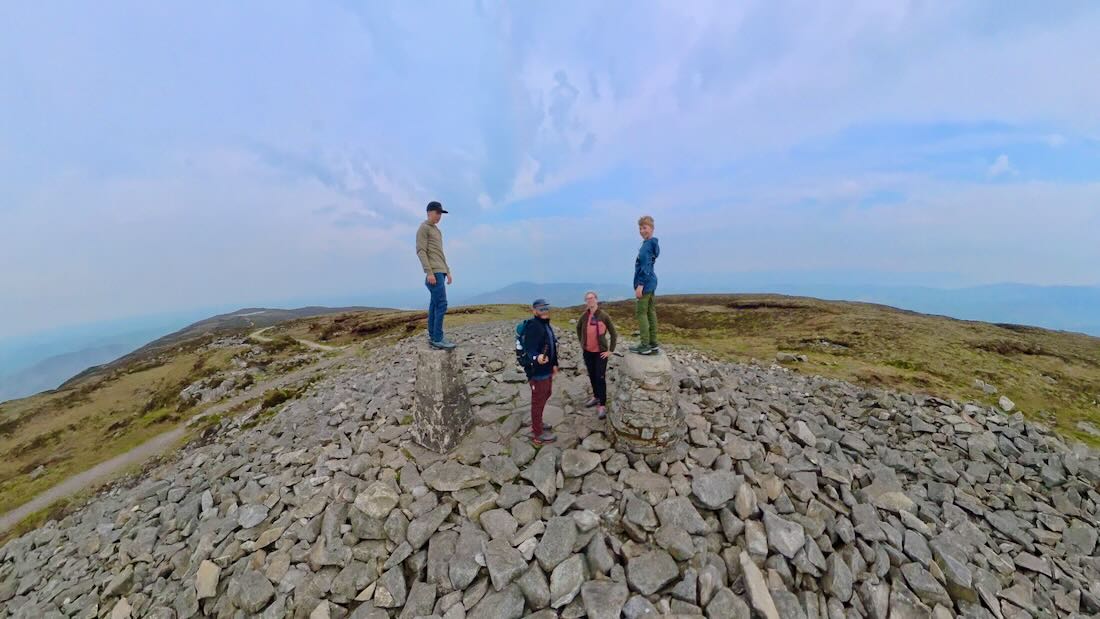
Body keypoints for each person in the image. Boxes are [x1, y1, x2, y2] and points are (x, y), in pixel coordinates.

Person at [416, 201, 455, 350]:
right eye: (437, 213)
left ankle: (433, 336)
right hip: (434, 273)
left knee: (434, 304)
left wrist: (448, 271)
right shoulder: (423, 228)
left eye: (441, 213)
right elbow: (421, 251)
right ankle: (438, 338)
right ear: (429, 212)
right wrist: (429, 272)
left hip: (441, 271)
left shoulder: (437, 231)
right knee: (442, 304)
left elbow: (440, 253)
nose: (439, 216)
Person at [521, 298, 559, 445]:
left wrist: (554, 364)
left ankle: (539, 422)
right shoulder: (533, 326)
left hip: (547, 369)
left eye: (545, 308)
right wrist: (537, 357)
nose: (544, 311)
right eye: (541, 309)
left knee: (546, 393)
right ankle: (537, 434)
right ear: (534, 311)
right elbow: (530, 348)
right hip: (537, 371)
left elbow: (552, 346)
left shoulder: (545, 324)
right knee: (537, 401)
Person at [576, 291, 617, 419]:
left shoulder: (604, 316)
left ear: (596, 300)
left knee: (600, 377)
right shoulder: (584, 316)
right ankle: (596, 397)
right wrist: (582, 343)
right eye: (587, 299)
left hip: (600, 353)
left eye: (592, 298)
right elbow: (578, 328)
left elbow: (613, 333)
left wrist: (610, 350)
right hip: (588, 352)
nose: (590, 301)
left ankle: (602, 405)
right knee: (592, 375)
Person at [631, 215, 661, 354]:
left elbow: (646, 266)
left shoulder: (647, 246)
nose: (642, 231)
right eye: (640, 228)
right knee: (650, 311)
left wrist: (640, 285)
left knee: (641, 312)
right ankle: (653, 342)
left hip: (646, 283)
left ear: (652, 229)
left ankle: (645, 345)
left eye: (645, 227)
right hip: (652, 282)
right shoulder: (652, 244)